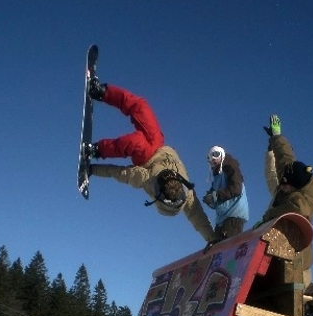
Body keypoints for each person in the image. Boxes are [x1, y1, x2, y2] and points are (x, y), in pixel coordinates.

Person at [83, 79, 217, 245]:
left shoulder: (146, 179)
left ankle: (98, 149)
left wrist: (92, 169)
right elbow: (200, 217)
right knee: (142, 107)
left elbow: (118, 173)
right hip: (159, 145)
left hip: (146, 157)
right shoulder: (187, 191)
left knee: (136, 142)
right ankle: (103, 92)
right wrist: (214, 239)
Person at [261, 114, 313, 288]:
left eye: (286, 186)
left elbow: (297, 210)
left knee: (293, 282)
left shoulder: (302, 200)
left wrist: (268, 216)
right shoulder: (291, 174)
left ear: (295, 188)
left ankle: (312, 290)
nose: (283, 187)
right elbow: (285, 155)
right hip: (278, 248)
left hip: (298, 260)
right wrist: (275, 137)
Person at [202, 145, 249, 239]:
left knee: (226, 246)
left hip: (233, 215)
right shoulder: (216, 177)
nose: (213, 159)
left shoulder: (230, 167)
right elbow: (216, 198)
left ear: (222, 155)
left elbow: (236, 189)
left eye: (216, 154)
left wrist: (216, 196)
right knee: (216, 247)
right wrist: (210, 199)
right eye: (210, 157)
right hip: (222, 218)